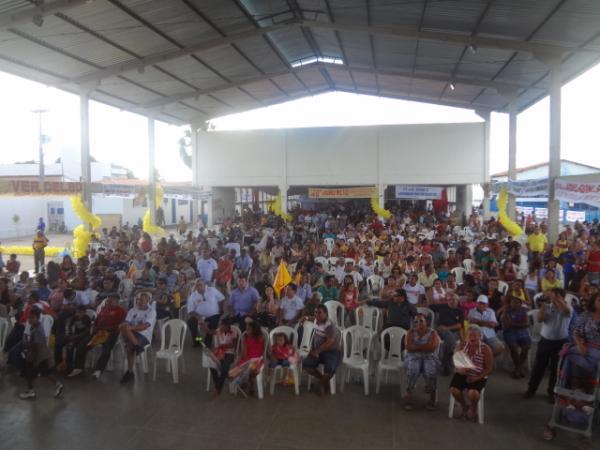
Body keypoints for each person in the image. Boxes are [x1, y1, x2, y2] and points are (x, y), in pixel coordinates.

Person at [523, 287, 572, 401]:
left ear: (562, 297)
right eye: (551, 295)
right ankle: (531, 389)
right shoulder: (548, 307)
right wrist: (543, 307)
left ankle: (552, 392)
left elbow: (566, 311)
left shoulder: (568, 307)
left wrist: (556, 299)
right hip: (545, 341)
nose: (552, 298)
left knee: (556, 369)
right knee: (538, 367)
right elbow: (540, 319)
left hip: (560, 342)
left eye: (555, 295)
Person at [449, 324, 493, 421]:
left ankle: (473, 408)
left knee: (473, 393)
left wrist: (477, 378)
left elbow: (489, 369)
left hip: (478, 375)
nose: (472, 338)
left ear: (480, 336)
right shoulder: (462, 345)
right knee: (453, 390)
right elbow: (456, 360)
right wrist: (459, 368)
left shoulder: (486, 349)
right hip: (462, 374)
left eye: (475, 336)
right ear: (466, 336)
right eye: (470, 335)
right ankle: (464, 406)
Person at [19, 308, 64, 400]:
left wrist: (35, 361)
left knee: (30, 374)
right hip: (41, 356)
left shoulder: (38, 330)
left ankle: (31, 392)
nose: (30, 320)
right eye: (29, 318)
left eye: (32, 318)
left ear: (38, 318)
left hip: (38, 357)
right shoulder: (35, 327)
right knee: (46, 373)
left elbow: (38, 347)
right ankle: (58, 384)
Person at [302, 304, 342, 396]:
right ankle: (323, 380)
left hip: (332, 351)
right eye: (315, 312)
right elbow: (313, 318)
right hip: (319, 351)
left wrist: (317, 351)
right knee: (306, 365)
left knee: (330, 369)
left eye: (319, 313)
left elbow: (331, 341)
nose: (316, 314)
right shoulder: (317, 319)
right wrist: (305, 317)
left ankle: (321, 384)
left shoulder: (329, 325)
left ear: (326, 314)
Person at [404, 313, 441, 410]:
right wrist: (425, 347)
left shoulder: (433, 332)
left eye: (421, 320)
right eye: (416, 321)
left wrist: (416, 347)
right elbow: (408, 347)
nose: (418, 323)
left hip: (429, 356)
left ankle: (432, 398)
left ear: (426, 322)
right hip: (413, 356)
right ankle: (409, 397)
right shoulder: (410, 332)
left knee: (430, 371)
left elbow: (432, 347)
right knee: (412, 369)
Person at [119, 291, 156, 384]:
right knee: (122, 326)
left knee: (129, 347)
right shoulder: (132, 310)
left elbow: (144, 326)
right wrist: (127, 326)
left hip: (144, 335)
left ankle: (130, 372)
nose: (139, 301)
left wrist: (130, 327)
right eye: (138, 299)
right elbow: (126, 322)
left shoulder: (151, 311)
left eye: (142, 300)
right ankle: (137, 346)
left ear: (148, 300)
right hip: (132, 334)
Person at [87, 293, 126, 379]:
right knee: (84, 344)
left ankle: (98, 370)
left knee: (106, 350)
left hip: (111, 333)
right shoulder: (104, 308)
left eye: (110, 301)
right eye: (107, 301)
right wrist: (95, 327)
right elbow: (97, 320)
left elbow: (120, 325)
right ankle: (79, 366)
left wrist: (106, 329)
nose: (107, 302)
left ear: (116, 302)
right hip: (99, 332)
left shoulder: (121, 311)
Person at [186, 279, 225, 348]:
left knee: (212, 324)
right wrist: (200, 319)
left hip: (213, 315)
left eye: (200, 285)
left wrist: (221, 310)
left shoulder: (212, 290)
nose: (198, 287)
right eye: (197, 285)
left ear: (204, 285)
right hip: (199, 316)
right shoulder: (193, 295)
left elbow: (221, 298)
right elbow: (190, 310)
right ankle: (198, 340)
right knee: (190, 322)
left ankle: (208, 342)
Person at [433, 294, 464, 375]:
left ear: (457, 301)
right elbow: (429, 306)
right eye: (449, 300)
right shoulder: (442, 308)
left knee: (448, 341)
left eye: (453, 300)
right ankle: (455, 354)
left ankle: (446, 365)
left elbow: (460, 325)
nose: (451, 301)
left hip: (454, 332)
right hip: (441, 331)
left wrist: (448, 328)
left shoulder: (460, 311)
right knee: (448, 335)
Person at [501, 296, 531, 379]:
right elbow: (507, 325)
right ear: (510, 304)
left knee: (526, 347)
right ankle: (519, 368)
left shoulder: (524, 311)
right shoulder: (507, 311)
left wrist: (514, 324)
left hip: (522, 332)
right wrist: (521, 325)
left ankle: (518, 368)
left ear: (521, 304)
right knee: (513, 347)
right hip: (509, 332)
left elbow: (527, 324)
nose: (515, 304)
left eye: (517, 302)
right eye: (513, 302)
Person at [209, 318, 238, 394]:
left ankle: (218, 387)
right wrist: (203, 328)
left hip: (230, 353)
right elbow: (210, 332)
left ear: (227, 326)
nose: (220, 326)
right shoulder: (219, 330)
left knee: (225, 367)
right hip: (220, 352)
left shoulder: (233, 332)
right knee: (212, 365)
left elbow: (233, 344)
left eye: (222, 325)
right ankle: (220, 383)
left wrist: (223, 346)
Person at [64, 305, 93, 377]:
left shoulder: (87, 319)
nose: (78, 314)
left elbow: (86, 331)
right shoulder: (74, 317)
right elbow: (69, 325)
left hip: (85, 336)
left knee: (81, 347)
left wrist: (75, 337)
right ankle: (69, 366)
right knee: (69, 346)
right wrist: (69, 334)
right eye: (77, 312)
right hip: (76, 335)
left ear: (84, 312)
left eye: (80, 312)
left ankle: (79, 367)